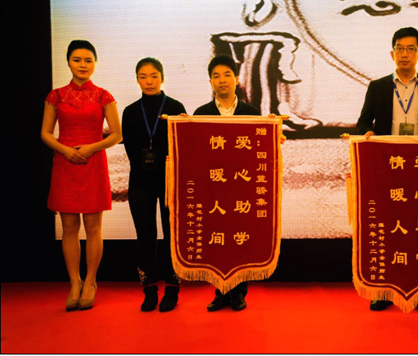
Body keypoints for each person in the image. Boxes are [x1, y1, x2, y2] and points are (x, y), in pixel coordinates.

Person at [356, 27, 418, 312]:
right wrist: (367, 134)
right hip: (387, 169)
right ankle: (383, 290)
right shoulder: (378, 87)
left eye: (410, 49)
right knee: (387, 228)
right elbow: (363, 122)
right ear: (392, 53)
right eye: (400, 48)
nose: (404, 54)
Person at [41, 40, 122, 311]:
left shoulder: (103, 95)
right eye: (77, 59)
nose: (83, 65)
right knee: (69, 228)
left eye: (88, 60)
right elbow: (45, 133)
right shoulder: (56, 95)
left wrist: (91, 147)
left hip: (93, 162)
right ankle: (74, 282)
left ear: (95, 63)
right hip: (64, 163)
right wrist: (65, 150)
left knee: (93, 226)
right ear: (68, 62)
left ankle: (90, 281)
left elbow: (117, 134)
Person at [194, 54, 260, 312]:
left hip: (241, 186)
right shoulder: (201, 114)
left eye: (227, 75)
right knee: (217, 239)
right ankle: (220, 291)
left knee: (240, 240)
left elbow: (259, 148)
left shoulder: (251, 113)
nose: (222, 80)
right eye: (216, 76)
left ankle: (239, 292)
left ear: (237, 78)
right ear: (210, 81)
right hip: (213, 187)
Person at [122, 58, 187, 312]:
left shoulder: (175, 107)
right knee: (145, 236)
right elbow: (129, 148)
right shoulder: (130, 111)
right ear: (137, 79)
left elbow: (185, 144)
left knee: (172, 235)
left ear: (162, 77)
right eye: (143, 76)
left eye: (153, 76)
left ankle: (172, 288)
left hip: (170, 181)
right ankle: (149, 290)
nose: (148, 81)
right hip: (140, 181)